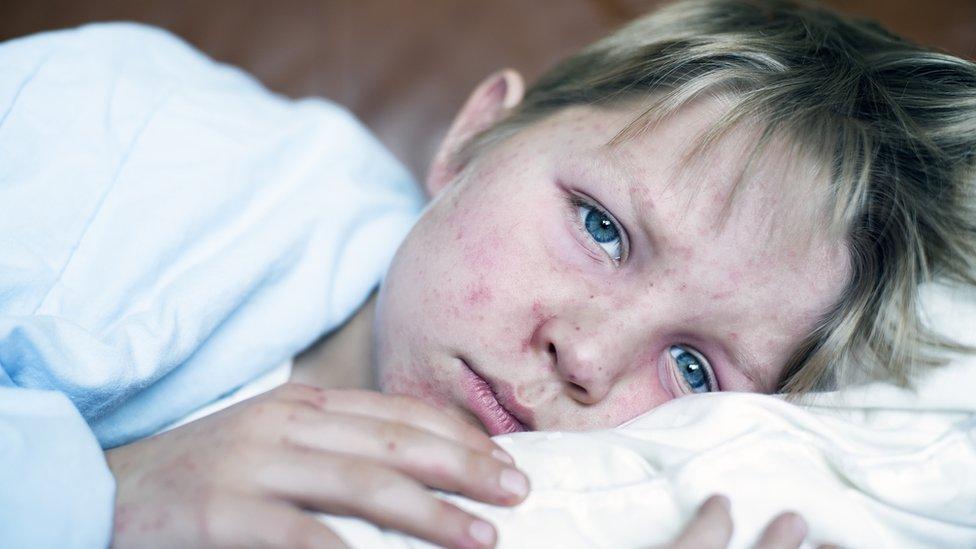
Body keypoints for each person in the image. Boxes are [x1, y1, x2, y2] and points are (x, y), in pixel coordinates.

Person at [2, 0, 973, 547]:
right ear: (470, 138)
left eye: (692, 369)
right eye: (600, 226)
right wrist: (99, 494)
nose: (586, 352)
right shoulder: (117, 133)